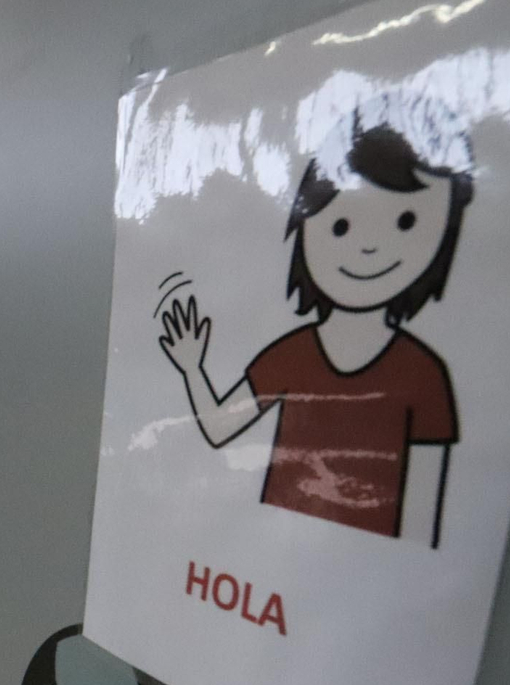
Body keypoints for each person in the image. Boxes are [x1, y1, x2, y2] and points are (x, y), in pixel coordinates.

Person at [159, 103, 468, 545]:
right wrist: (192, 368)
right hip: (272, 555)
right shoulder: (292, 355)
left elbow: (423, 525)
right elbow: (219, 427)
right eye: (340, 226)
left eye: (405, 222)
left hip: (363, 579)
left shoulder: (424, 376)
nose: (368, 248)